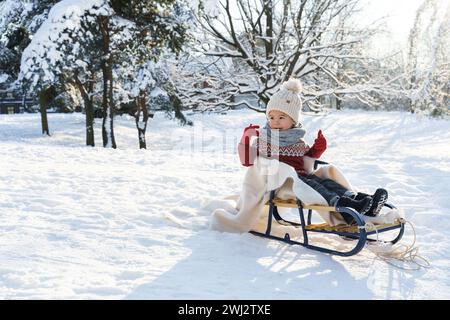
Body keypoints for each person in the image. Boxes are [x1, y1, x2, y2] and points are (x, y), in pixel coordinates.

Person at [238, 78, 388, 224]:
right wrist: (246, 138)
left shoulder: (297, 141)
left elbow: (307, 160)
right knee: (314, 186)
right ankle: (343, 207)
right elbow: (247, 161)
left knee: (326, 182)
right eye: (271, 117)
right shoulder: (264, 140)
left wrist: (318, 148)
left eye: (281, 117)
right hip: (279, 185)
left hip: (301, 179)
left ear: (293, 120)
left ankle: (357, 201)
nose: (275, 121)